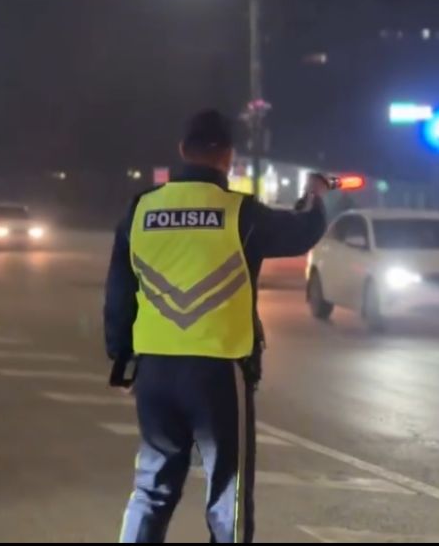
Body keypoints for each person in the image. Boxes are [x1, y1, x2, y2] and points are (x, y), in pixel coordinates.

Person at [103, 109, 328, 543]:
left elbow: (118, 292)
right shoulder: (240, 213)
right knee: (228, 495)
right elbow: (302, 232)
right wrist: (314, 195)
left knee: (151, 490)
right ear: (228, 156)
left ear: (182, 150)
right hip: (218, 371)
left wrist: (122, 358)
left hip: (155, 371)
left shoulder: (141, 209)